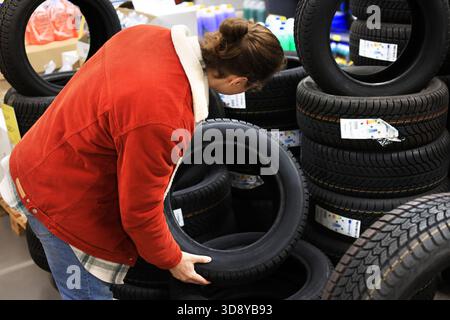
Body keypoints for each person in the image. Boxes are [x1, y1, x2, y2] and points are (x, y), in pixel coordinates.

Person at [7, 18, 285, 300]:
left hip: (42, 160)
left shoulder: (144, 35)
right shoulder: (164, 117)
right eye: (251, 88)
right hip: (57, 202)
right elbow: (139, 214)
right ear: (237, 81)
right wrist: (173, 260)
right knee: (85, 294)